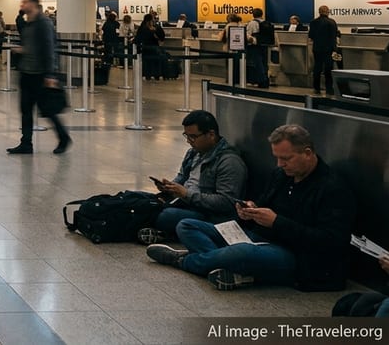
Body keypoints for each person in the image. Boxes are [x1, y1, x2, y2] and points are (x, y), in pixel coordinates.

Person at [147, 124, 356, 292]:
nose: (280, 164)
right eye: (277, 158)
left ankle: (185, 260)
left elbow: (331, 241)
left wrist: (277, 222)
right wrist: (249, 212)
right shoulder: (281, 176)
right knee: (187, 225)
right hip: (263, 236)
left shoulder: (332, 188)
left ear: (308, 153)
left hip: (298, 255)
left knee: (241, 252)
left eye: (286, 158)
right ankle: (222, 265)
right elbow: (263, 205)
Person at [137, 110, 248, 243]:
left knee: (166, 216)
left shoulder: (229, 162)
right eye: (187, 136)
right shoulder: (194, 153)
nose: (189, 141)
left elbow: (226, 202)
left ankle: (166, 232)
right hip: (185, 202)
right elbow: (183, 177)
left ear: (211, 135)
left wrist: (186, 194)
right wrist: (169, 187)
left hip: (209, 214)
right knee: (139, 199)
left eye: (193, 137)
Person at [7, 0, 71, 155]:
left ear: (35, 3)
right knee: (26, 110)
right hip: (26, 73)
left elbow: (49, 49)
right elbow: (31, 46)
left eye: (25, 2)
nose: (22, 4)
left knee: (48, 110)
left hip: (40, 74)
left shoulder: (44, 23)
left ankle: (63, 138)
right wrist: (21, 50)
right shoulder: (29, 23)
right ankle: (26, 143)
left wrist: (50, 74)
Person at [308, 5, 340, 96]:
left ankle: (316, 88)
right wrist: (335, 49)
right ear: (327, 12)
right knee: (328, 69)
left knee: (317, 68)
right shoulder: (332, 22)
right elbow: (334, 36)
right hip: (329, 49)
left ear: (319, 12)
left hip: (317, 48)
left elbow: (311, 36)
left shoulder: (313, 22)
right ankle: (329, 89)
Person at [134, 12, 166, 81]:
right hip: (154, 47)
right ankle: (156, 75)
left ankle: (147, 75)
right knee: (155, 61)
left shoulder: (142, 27)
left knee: (147, 62)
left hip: (145, 48)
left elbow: (138, 38)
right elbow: (162, 36)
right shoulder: (156, 27)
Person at [245, 7, 271, 88]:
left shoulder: (252, 23)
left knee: (256, 64)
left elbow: (248, 35)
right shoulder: (266, 22)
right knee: (264, 63)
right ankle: (265, 80)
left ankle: (259, 81)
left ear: (253, 14)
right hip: (265, 46)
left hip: (255, 46)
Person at [218, 13, 244, 83]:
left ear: (229, 19)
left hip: (228, 48)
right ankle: (238, 79)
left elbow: (222, 38)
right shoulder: (240, 25)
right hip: (239, 48)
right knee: (238, 65)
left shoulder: (227, 26)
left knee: (229, 65)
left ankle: (229, 78)